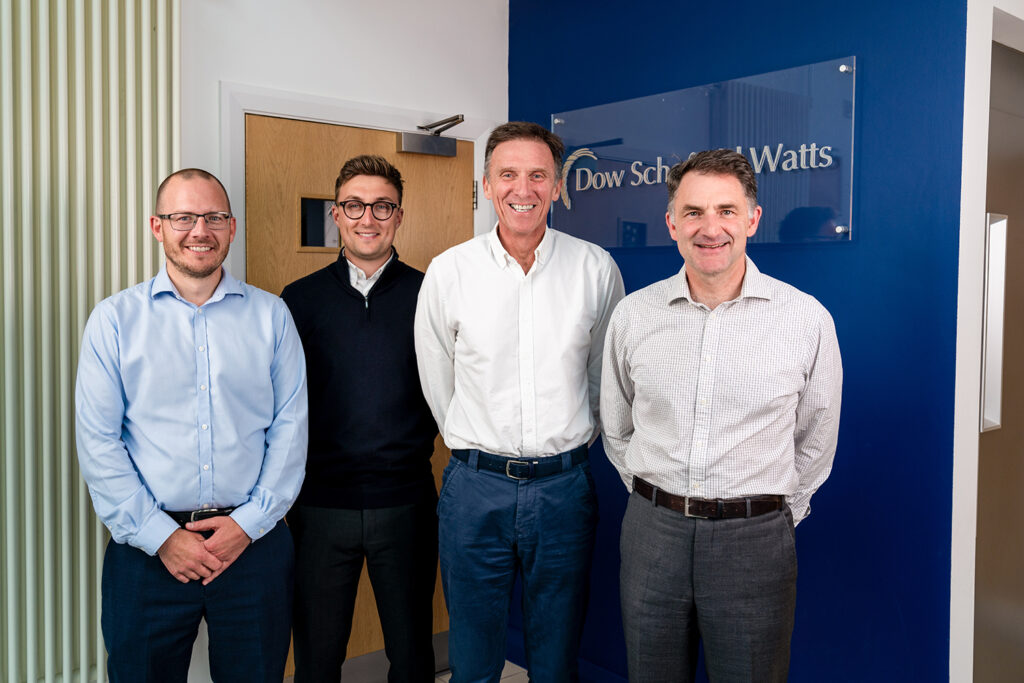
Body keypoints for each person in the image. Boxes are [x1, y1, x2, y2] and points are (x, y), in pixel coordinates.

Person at [600, 149, 843, 682]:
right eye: (693, 212)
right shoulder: (634, 315)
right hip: (652, 535)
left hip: (755, 542)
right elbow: (616, 427)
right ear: (671, 223)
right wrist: (657, 502)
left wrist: (775, 513)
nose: (710, 228)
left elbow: (817, 436)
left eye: (726, 211)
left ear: (752, 219)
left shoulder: (805, 320)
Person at [75, 168, 307, 683]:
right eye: (183, 217)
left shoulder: (273, 317)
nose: (199, 229)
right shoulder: (113, 322)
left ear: (232, 227)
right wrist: (162, 537)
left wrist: (247, 525)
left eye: (214, 217)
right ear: (158, 226)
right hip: (147, 553)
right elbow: (99, 444)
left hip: (254, 548)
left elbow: (290, 431)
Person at [414, 121, 625, 682]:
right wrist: (477, 441)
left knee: (556, 659)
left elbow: (606, 376)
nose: (522, 189)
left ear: (558, 186)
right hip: (474, 489)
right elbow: (438, 380)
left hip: (564, 490)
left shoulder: (595, 269)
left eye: (538, 175)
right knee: (475, 658)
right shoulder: (449, 271)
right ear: (487, 184)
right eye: (508, 174)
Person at [281, 155, 439, 683]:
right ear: (336, 214)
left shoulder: (431, 295)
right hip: (321, 505)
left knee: (413, 655)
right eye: (354, 205)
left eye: (381, 206)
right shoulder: (298, 300)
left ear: (398, 216)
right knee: (317, 656)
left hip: (408, 502)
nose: (367, 218)